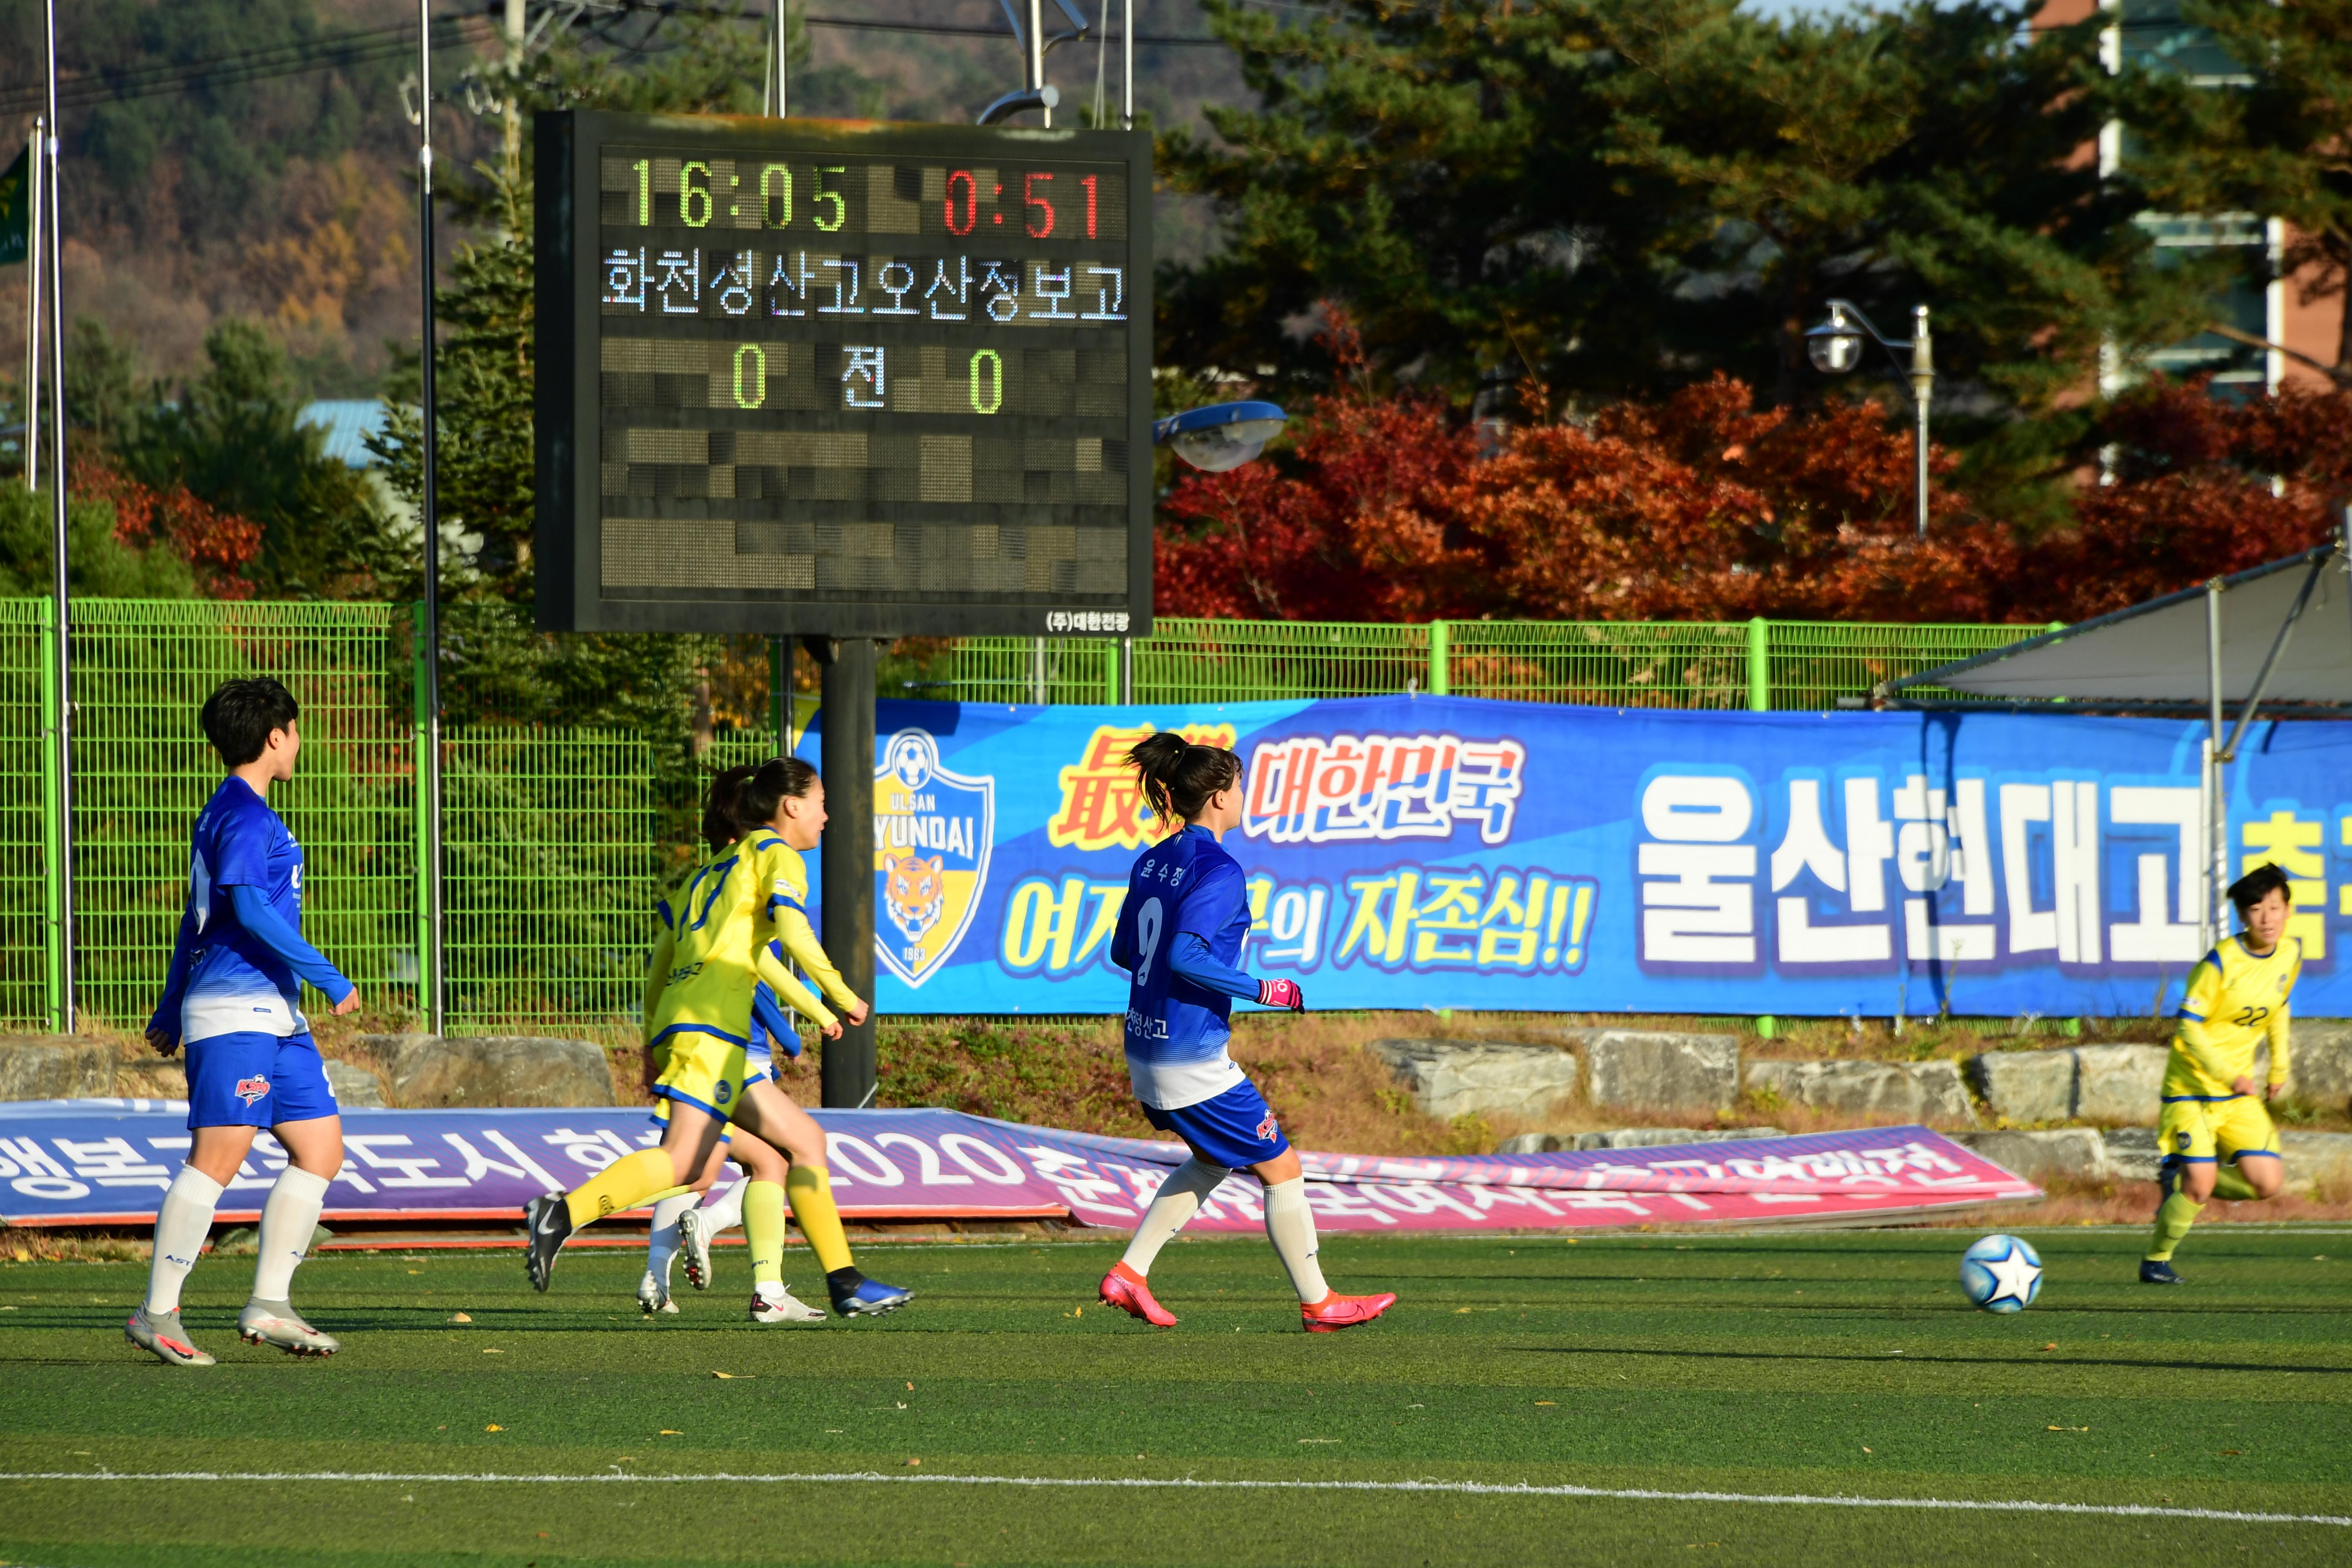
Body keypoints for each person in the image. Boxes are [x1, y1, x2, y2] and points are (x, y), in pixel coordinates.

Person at [530, 759, 909, 1320]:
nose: (827, 817)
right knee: (687, 1162)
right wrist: (842, 995)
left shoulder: (709, 874)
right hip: (715, 1028)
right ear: (791, 806)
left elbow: (670, 962)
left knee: (790, 1145)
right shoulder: (776, 855)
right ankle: (563, 1213)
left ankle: (841, 1280)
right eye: (822, 802)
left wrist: (653, 1042)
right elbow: (792, 931)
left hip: (692, 1025)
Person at [1094, 732, 1395, 1333]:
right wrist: (1264, 989)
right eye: (1238, 784)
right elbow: (1182, 954)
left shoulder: (1151, 859)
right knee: (1281, 1168)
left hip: (1144, 1043)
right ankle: (1320, 1303)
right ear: (1217, 797)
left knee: (1210, 1160)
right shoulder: (1220, 868)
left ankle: (1129, 1275)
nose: (1243, 794)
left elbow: (1126, 950)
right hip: (1190, 1057)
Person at [128, 677, 361, 1365]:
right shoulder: (245, 813)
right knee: (218, 1159)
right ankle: (158, 1311)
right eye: (296, 728)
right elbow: (250, 910)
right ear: (275, 735)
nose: (300, 740)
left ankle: (270, 1302)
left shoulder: (239, 809)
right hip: (238, 1008)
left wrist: (171, 1003)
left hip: (274, 1012)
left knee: (320, 1150)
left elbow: (193, 918)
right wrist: (331, 977)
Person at [2142, 863, 2300, 1285]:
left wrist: (2279, 1066)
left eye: (2274, 907)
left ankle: (2184, 1181)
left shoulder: (2289, 954)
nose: (2266, 918)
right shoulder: (2220, 962)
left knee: (2267, 1184)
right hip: (2191, 1090)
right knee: (2201, 1183)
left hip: (2237, 1095)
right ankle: (2156, 1260)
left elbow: (2279, 1007)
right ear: (2243, 915)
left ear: (2287, 910)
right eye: (2255, 909)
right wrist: (2228, 1073)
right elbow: (2188, 1027)